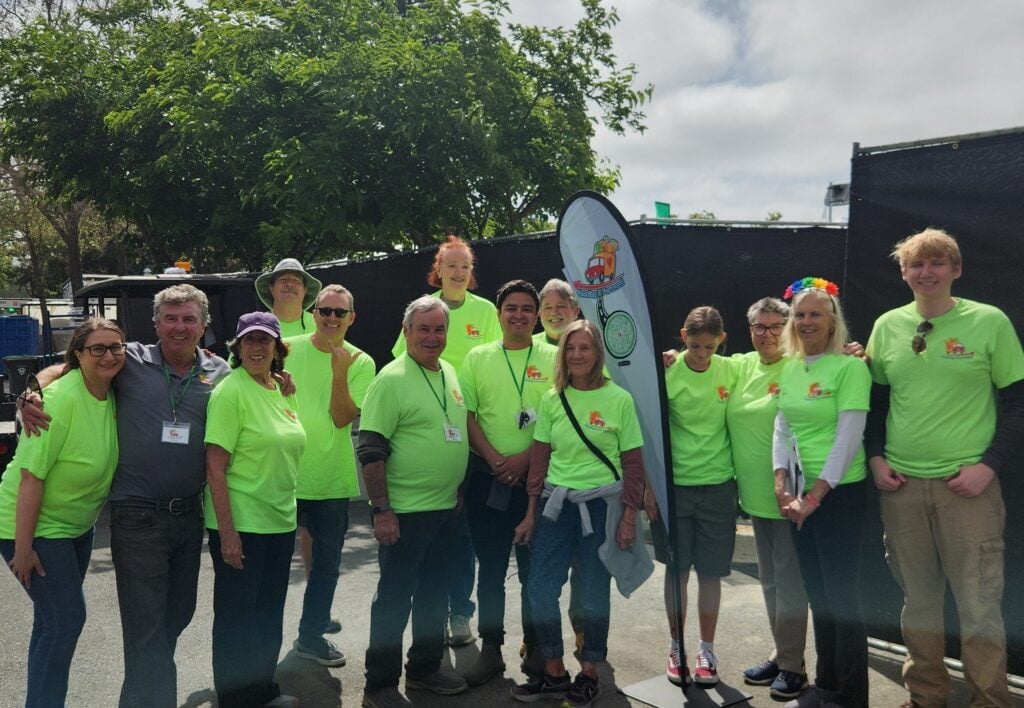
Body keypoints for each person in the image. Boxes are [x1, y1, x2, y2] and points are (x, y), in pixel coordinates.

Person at [19, 284, 232, 708]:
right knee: (146, 628)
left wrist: (281, 379)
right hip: (138, 515)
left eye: (189, 319)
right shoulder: (127, 358)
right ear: (156, 324)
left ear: (203, 326)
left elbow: (255, 383)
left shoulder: (221, 371)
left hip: (189, 514)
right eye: (170, 318)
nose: (179, 327)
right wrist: (32, 390)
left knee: (176, 616)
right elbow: (68, 366)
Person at [865, 229, 1024, 708]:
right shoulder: (887, 325)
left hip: (967, 491)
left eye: (937, 263)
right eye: (916, 264)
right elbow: (874, 402)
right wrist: (876, 457)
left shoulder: (989, 321)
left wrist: (989, 466)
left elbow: (1017, 403)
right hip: (902, 488)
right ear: (903, 273)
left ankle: (989, 701)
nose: (926, 272)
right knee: (918, 602)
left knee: (979, 604)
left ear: (956, 269)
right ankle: (925, 697)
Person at [512, 320, 648, 707]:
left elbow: (633, 464)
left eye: (584, 348)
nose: (576, 355)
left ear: (597, 353)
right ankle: (554, 669)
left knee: (592, 594)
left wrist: (629, 516)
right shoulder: (552, 399)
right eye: (570, 348)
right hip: (556, 507)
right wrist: (530, 513)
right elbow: (539, 462)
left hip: (602, 507)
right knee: (540, 588)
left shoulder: (619, 399)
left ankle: (589, 671)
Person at [0, 319, 124, 708]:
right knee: (66, 620)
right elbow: (30, 479)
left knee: (51, 622)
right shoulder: (56, 402)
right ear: (77, 355)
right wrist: (23, 549)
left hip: (76, 528)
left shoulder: (112, 388)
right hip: (34, 528)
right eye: (97, 348)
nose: (108, 355)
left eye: (115, 347)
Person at [358, 296, 471, 708]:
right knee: (394, 599)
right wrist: (382, 510)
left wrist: (456, 487)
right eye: (423, 329)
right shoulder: (389, 380)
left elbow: (452, 433)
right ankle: (379, 686)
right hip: (404, 513)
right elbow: (370, 450)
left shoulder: (450, 373)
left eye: (439, 329)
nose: (432, 337)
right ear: (406, 332)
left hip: (445, 510)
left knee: (434, 595)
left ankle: (424, 670)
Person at [391, 235, 499, 646]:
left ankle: (459, 613)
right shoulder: (423, 309)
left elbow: (495, 363)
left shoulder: (485, 311)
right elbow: (400, 360)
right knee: (426, 532)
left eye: (465, 266)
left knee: (463, 534)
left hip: (469, 437)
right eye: (451, 265)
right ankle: (427, 618)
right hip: (424, 435)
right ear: (438, 269)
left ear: (472, 272)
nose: (458, 272)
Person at [772, 277, 870, 708]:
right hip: (799, 498)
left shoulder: (850, 368)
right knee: (817, 593)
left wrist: (814, 497)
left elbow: (848, 439)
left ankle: (851, 695)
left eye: (816, 314)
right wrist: (781, 484)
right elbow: (782, 427)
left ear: (833, 321)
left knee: (842, 597)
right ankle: (826, 683)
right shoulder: (791, 366)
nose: (807, 321)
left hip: (838, 496)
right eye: (800, 315)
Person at [205, 312, 307, 708]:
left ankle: (262, 691)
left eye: (265, 340)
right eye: (249, 340)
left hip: (279, 521)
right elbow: (215, 466)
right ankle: (235, 700)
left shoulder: (281, 389)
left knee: (268, 613)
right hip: (243, 524)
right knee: (237, 619)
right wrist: (228, 534)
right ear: (238, 346)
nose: (257, 347)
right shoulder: (230, 392)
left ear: (278, 348)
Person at [459, 280, 556, 685]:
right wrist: (495, 459)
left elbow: (560, 417)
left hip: (538, 483)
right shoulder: (477, 357)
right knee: (492, 571)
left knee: (536, 573)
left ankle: (536, 647)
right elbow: (467, 415)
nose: (519, 315)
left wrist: (524, 459)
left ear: (538, 316)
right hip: (489, 481)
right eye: (511, 308)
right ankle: (491, 650)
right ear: (498, 314)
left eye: (527, 309)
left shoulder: (555, 357)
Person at [285, 283, 375, 665]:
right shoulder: (285, 349)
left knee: (325, 567)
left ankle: (310, 636)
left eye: (340, 312)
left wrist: (340, 372)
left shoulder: (362, 362)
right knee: (270, 567)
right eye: (325, 311)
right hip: (282, 475)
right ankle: (257, 648)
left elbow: (341, 419)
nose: (332, 318)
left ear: (352, 318)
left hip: (330, 479)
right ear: (313, 314)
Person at [728, 298, 810, 700]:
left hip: (789, 495)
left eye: (776, 325)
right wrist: (674, 357)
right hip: (755, 497)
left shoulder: (800, 365)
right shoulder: (741, 365)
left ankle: (794, 667)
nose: (768, 334)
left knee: (790, 584)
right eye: (760, 326)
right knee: (772, 583)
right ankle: (782, 654)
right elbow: (700, 361)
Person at [656, 306, 739, 687]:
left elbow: (780, 359)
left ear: (722, 340)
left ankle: (707, 649)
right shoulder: (667, 371)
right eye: (695, 346)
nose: (702, 353)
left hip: (719, 486)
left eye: (710, 346)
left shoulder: (733, 369)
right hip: (675, 488)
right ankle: (677, 647)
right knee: (677, 572)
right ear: (682, 337)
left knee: (710, 573)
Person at [255, 258, 323, 337]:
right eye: (283, 279)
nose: (289, 284)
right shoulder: (257, 327)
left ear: (305, 290)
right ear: (271, 288)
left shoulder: (320, 326)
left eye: (296, 280)